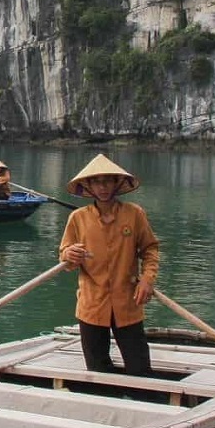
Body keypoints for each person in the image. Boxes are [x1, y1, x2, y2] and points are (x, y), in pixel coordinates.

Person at [57, 154, 159, 377]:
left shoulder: (134, 214)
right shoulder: (78, 218)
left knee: (140, 369)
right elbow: (65, 261)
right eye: (96, 181)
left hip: (128, 302)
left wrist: (147, 279)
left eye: (107, 181)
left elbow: (150, 249)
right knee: (97, 370)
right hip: (92, 304)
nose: (102, 187)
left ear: (116, 183)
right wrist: (69, 255)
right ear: (89, 186)